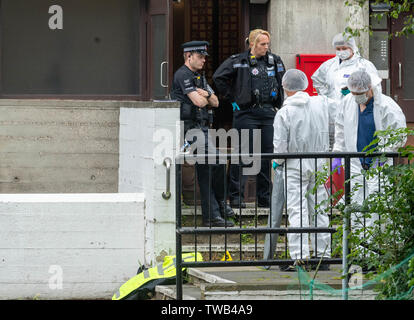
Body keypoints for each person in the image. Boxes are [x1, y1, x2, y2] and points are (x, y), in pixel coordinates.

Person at [213, 29, 285, 208]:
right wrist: (233, 98)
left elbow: (283, 81)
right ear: (252, 44)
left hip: (268, 113)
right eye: (262, 44)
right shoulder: (238, 60)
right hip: (246, 113)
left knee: (266, 156)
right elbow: (218, 77)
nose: (266, 47)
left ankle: (264, 197)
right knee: (243, 155)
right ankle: (236, 196)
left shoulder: (274, 60)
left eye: (267, 44)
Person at [273, 69, 337, 271]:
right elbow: (336, 125)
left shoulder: (284, 113)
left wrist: (278, 163)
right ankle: (323, 256)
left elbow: (280, 146)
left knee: (296, 209)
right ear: (305, 85)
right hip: (320, 161)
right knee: (319, 207)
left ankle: (300, 257)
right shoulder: (321, 103)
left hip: (295, 164)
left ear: (285, 88)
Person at [332, 70, 406, 238]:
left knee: (377, 206)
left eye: (360, 93)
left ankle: (376, 253)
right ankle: (361, 253)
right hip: (355, 161)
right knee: (357, 206)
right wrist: (337, 153)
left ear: (369, 88)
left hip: (378, 162)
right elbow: (341, 129)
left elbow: (399, 133)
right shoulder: (347, 103)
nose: (356, 96)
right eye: (354, 93)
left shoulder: (386, 106)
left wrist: (386, 153)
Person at [170, 41, 234, 227]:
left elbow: (216, 102)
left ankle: (217, 210)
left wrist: (205, 94)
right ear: (188, 56)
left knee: (216, 164)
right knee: (212, 164)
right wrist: (205, 96)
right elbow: (198, 102)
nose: (204, 60)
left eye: (204, 56)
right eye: (200, 56)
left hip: (203, 128)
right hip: (191, 129)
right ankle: (215, 212)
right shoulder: (183, 75)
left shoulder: (199, 77)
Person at [311, 32, 381, 149]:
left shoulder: (363, 65)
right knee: (335, 144)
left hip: (355, 111)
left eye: (344, 48)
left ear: (352, 48)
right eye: (338, 48)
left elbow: (376, 88)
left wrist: (357, 94)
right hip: (332, 113)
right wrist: (327, 96)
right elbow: (317, 79)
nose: (341, 51)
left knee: (352, 143)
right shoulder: (330, 65)